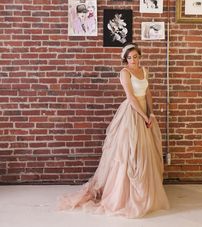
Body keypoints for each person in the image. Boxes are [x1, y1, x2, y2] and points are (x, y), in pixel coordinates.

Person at [58, 43, 170, 218]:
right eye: (130, 57)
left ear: (140, 57)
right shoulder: (125, 73)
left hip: (145, 114)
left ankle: (145, 193)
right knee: (128, 152)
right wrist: (143, 116)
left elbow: (147, 93)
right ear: (125, 59)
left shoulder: (144, 70)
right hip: (131, 113)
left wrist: (151, 113)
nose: (134, 60)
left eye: (136, 56)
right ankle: (122, 196)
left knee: (144, 153)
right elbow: (131, 97)